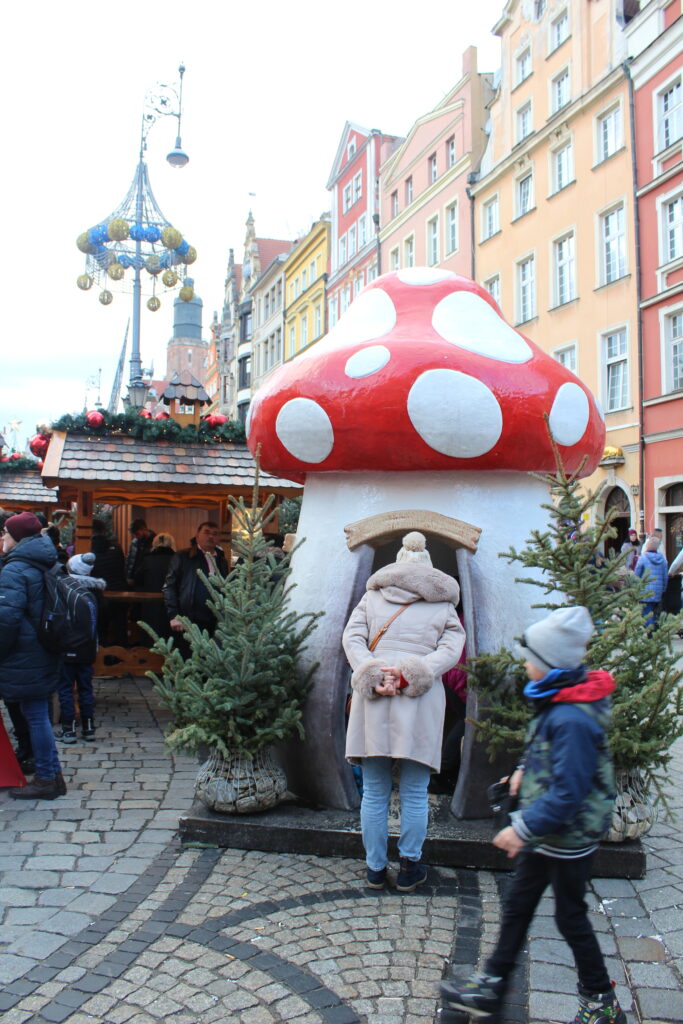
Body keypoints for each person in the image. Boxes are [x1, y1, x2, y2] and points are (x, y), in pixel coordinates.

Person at [440, 606, 625, 1024]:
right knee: (519, 904)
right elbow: (549, 755)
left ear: (550, 665)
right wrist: (525, 770)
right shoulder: (559, 699)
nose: (525, 665)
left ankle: (601, 1002)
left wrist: (522, 828)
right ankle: (492, 986)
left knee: (569, 915)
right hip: (550, 831)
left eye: (532, 659)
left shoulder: (572, 715)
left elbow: (570, 790)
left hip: (567, 835)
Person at [342, 531, 465, 892]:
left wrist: (372, 671)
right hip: (419, 700)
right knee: (414, 791)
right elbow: (452, 649)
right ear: (430, 570)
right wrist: (417, 671)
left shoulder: (372, 597)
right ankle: (410, 867)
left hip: (374, 697)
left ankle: (375, 868)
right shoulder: (443, 605)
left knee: (376, 790)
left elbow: (351, 638)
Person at [0, 511, 66, 800]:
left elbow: (7, 619)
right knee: (37, 713)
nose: (2, 537)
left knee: (36, 715)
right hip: (43, 648)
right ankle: (52, 775)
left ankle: (46, 778)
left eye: (5, 532)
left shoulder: (15, 569)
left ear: (17, 537)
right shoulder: (45, 561)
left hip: (24, 653)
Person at [56, 552, 106, 744]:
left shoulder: (65, 588)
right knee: (86, 687)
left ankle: (68, 729)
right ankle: (89, 726)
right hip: (88, 646)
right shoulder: (95, 591)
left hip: (68, 645)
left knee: (66, 688)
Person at [162, 521, 229, 654]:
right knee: (189, 657)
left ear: (219, 538)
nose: (210, 536)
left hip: (214, 620)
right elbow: (169, 587)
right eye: (206, 532)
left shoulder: (221, 560)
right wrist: (174, 615)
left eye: (215, 534)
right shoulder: (183, 557)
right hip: (189, 618)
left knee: (211, 657)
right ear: (197, 536)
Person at [135, 532, 176, 639]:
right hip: (171, 605)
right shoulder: (177, 560)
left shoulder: (147, 560)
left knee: (150, 635)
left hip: (150, 604)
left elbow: (137, 579)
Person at [634, 536, 668, 628]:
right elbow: (665, 577)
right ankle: (654, 629)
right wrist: (663, 589)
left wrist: (635, 588)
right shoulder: (662, 560)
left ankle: (650, 631)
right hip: (658, 591)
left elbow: (636, 575)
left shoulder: (643, 558)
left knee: (646, 612)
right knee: (655, 612)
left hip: (645, 591)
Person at [125, 518, 156, 587]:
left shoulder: (155, 542)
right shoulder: (134, 542)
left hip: (148, 580)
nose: (136, 537)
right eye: (134, 535)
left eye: (137, 534)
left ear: (144, 529)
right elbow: (130, 561)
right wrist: (129, 577)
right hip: (134, 581)